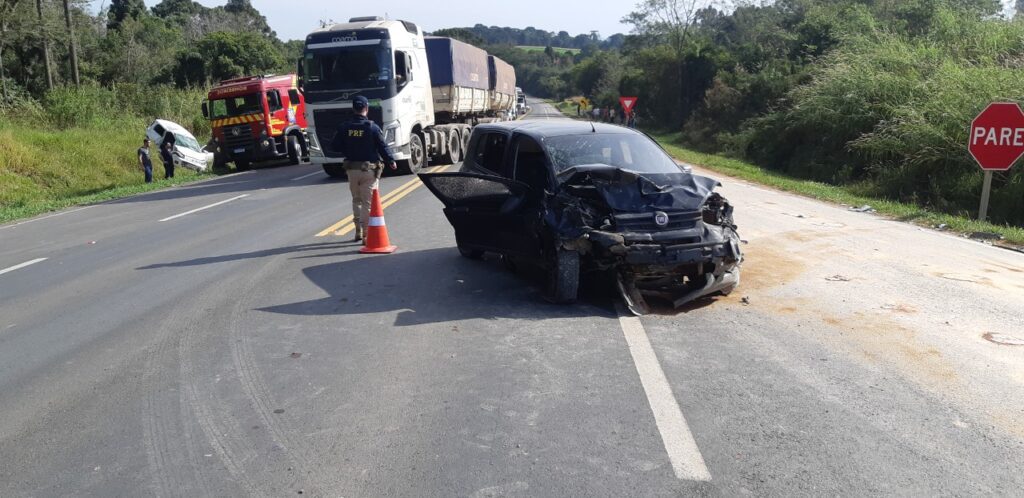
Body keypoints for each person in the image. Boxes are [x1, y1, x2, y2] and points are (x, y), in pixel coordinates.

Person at [332, 95, 398, 242]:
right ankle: (367, 234)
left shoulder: (344, 127)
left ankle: (358, 230)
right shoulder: (372, 127)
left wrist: (348, 148)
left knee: (356, 200)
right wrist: (391, 160)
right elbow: (383, 146)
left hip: (351, 169)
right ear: (366, 109)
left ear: (353, 109)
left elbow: (334, 146)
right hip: (369, 171)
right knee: (368, 203)